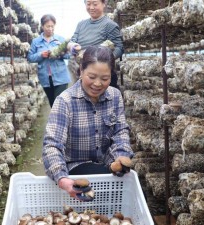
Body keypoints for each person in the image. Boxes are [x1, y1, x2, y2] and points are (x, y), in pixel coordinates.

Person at [42, 46, 134, 200]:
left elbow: (120, 132)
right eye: (92, 76)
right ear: (81, 71)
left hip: (107, 163)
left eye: (105, 79)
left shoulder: (115, 96)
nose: (98, 84)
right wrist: (62, 178)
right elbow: (52, 145)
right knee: (106, 195)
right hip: (76, 167)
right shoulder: (65, 101)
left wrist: (120, 157)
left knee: (132, 194)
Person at [67, 0, 124, 89]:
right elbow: (72, 41)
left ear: (104, 4)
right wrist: (72, 47)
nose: (91, 7)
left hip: (103, 74)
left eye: (95, 4)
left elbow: (119, 48)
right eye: (88, 4)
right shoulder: (81, 25)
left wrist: (105, 59)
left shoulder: (110, 25)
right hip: (85, 73)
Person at [27, 14, 72, 107]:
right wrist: (41, 55)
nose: (50, 28)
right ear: (42, 26)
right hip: (45, 78)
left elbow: (68, 56)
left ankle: (62, 120)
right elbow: (30, 58)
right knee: (52, 103)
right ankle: (58, 120)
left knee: (59, 104)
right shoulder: (36, 42)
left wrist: (59, 53)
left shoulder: (60, 39)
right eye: (48, 26)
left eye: (52, 26)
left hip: (60, 77)